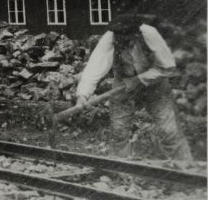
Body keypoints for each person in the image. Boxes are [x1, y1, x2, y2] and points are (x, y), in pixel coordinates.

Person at [74, 12, 193, 161]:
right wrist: (83, 96)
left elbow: (167, 67)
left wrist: (138, 80)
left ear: (136, 33)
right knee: (118, 132)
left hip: (155, 84)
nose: (122, 40)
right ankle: (121, 169)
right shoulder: (110, 37)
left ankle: (184, 168)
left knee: (169, 130)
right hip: (123, 83)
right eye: (119, 37)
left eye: (127, 37)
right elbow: (94, 67)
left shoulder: (150, 34)